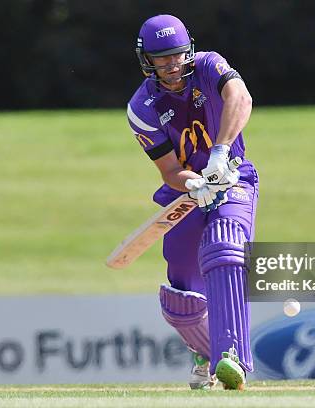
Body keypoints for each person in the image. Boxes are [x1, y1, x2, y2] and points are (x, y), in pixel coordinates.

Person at [127, 14, 258, 390]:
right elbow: (168, 169)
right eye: (161, 58)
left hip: (233, 175)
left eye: (178, 55)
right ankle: (204, 354)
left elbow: (240, 96)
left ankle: (231, 357)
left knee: (225, 247)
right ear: (147, 61)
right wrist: (194, 182)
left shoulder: (209, 65)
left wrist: (220, 152)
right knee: (181, 301)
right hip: (185, 192)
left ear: (190, 51)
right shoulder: (142, 108)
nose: (172, 64)